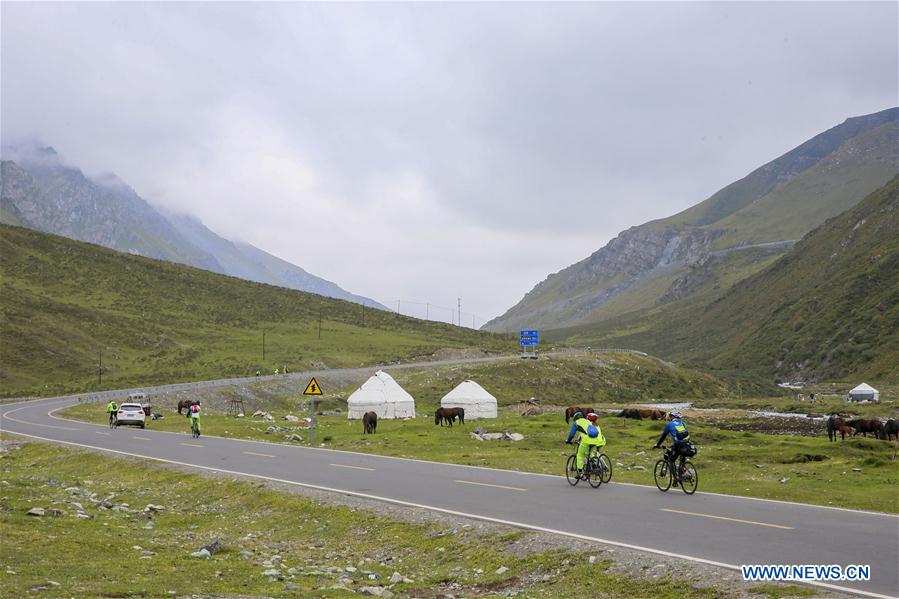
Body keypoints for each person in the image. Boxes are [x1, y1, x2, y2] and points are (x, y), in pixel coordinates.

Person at [653, 410, 691, 484]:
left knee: (671, 460)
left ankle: (676, 478)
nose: (669, 417)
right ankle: (682, 472)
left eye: (670, 416)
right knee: (682, 459)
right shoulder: (682, 423)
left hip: (678, 445)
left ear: (673, 417)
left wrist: (658, 445)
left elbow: (663, 436)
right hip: (687, 444)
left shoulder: (669, 424)